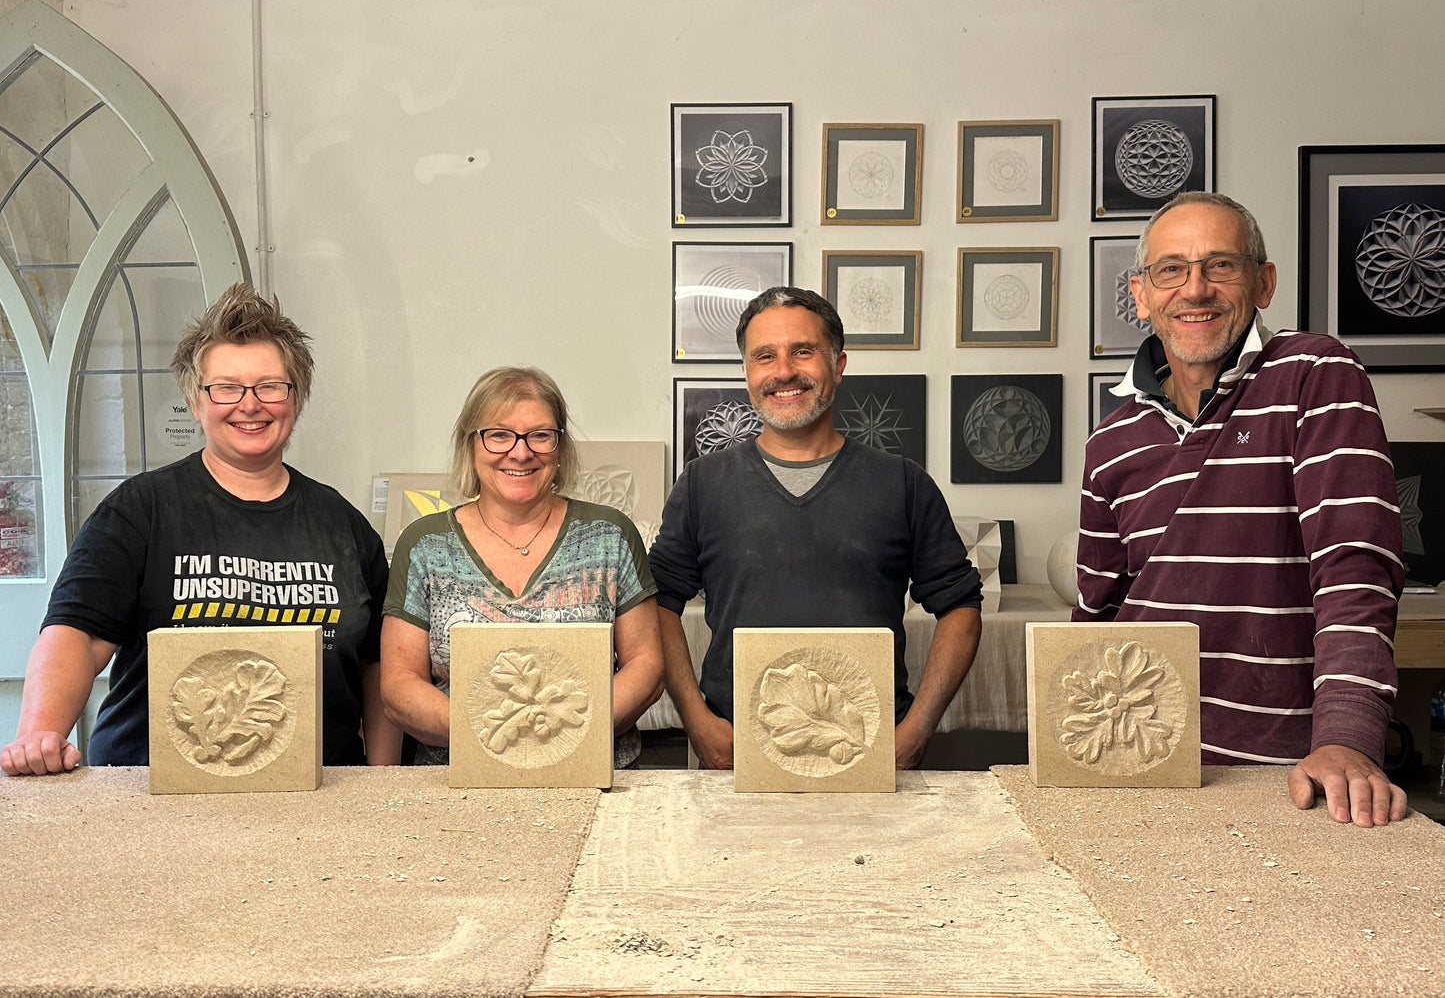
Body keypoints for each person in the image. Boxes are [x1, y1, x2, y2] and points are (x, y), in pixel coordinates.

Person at [1074, 191, 1405, 827]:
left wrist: (1346, 739)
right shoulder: (1110, 440)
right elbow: (1099, 619)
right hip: (1139, 764)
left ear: (1264, 282)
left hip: (1287, 773)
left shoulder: (1313, 372)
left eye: (1220, 265)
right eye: (1171, 269)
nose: (1194, 289)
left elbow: (1354, 568)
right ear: (1141, 295)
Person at [1, 282, 400, 775]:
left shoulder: (344, 525)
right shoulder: (139, 510)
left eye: (270, 386)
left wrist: (383, 780)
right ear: (196, 401)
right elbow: (77, 635)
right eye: (226, 387)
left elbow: (379, 665)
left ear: (296, 399)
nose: (249, 404)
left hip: (315, 791)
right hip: (151, 790)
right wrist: (40, 733)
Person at [649, 287, 984, 770]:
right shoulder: (703, 484)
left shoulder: (902, 483)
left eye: (803, 351)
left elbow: (960, 606)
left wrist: (916, 728)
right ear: (747, 372)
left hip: (870, 746)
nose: (784, 371)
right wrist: (697, 721)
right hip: (738, 750)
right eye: (765, 356)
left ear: (838, 364)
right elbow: (658, 604)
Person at [380, 367, 665, 768]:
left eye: (540, 435)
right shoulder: (425, 546)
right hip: (458, 785)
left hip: (596, 775)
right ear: (471, 444)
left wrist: (569, 731)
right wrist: (499, 733)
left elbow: (647, 666)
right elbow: (398, 686)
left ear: (560, 446)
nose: (520, 451)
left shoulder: (609, 535)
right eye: (499, 434)